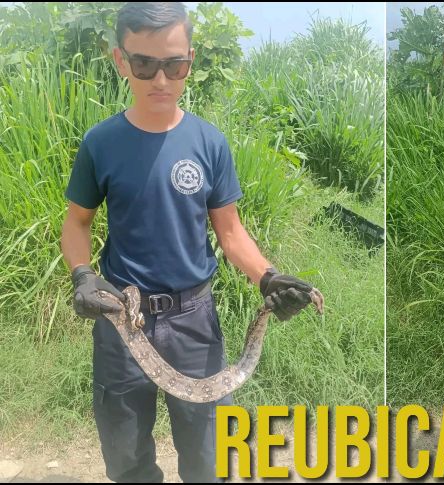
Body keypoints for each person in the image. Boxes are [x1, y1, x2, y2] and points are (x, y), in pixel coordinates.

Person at [59, 3, 314, 482]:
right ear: (120, 61)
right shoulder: (101, 143)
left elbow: (231, 233)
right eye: (145, 64)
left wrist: (268, 276)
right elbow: (76, 224)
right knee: (127, 456)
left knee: (208, 457)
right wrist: (82, 274)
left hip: (194, 321)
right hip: (122, 322)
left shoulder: (208, 143)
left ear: (190, 61)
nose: (161, 80)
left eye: (174, 65)